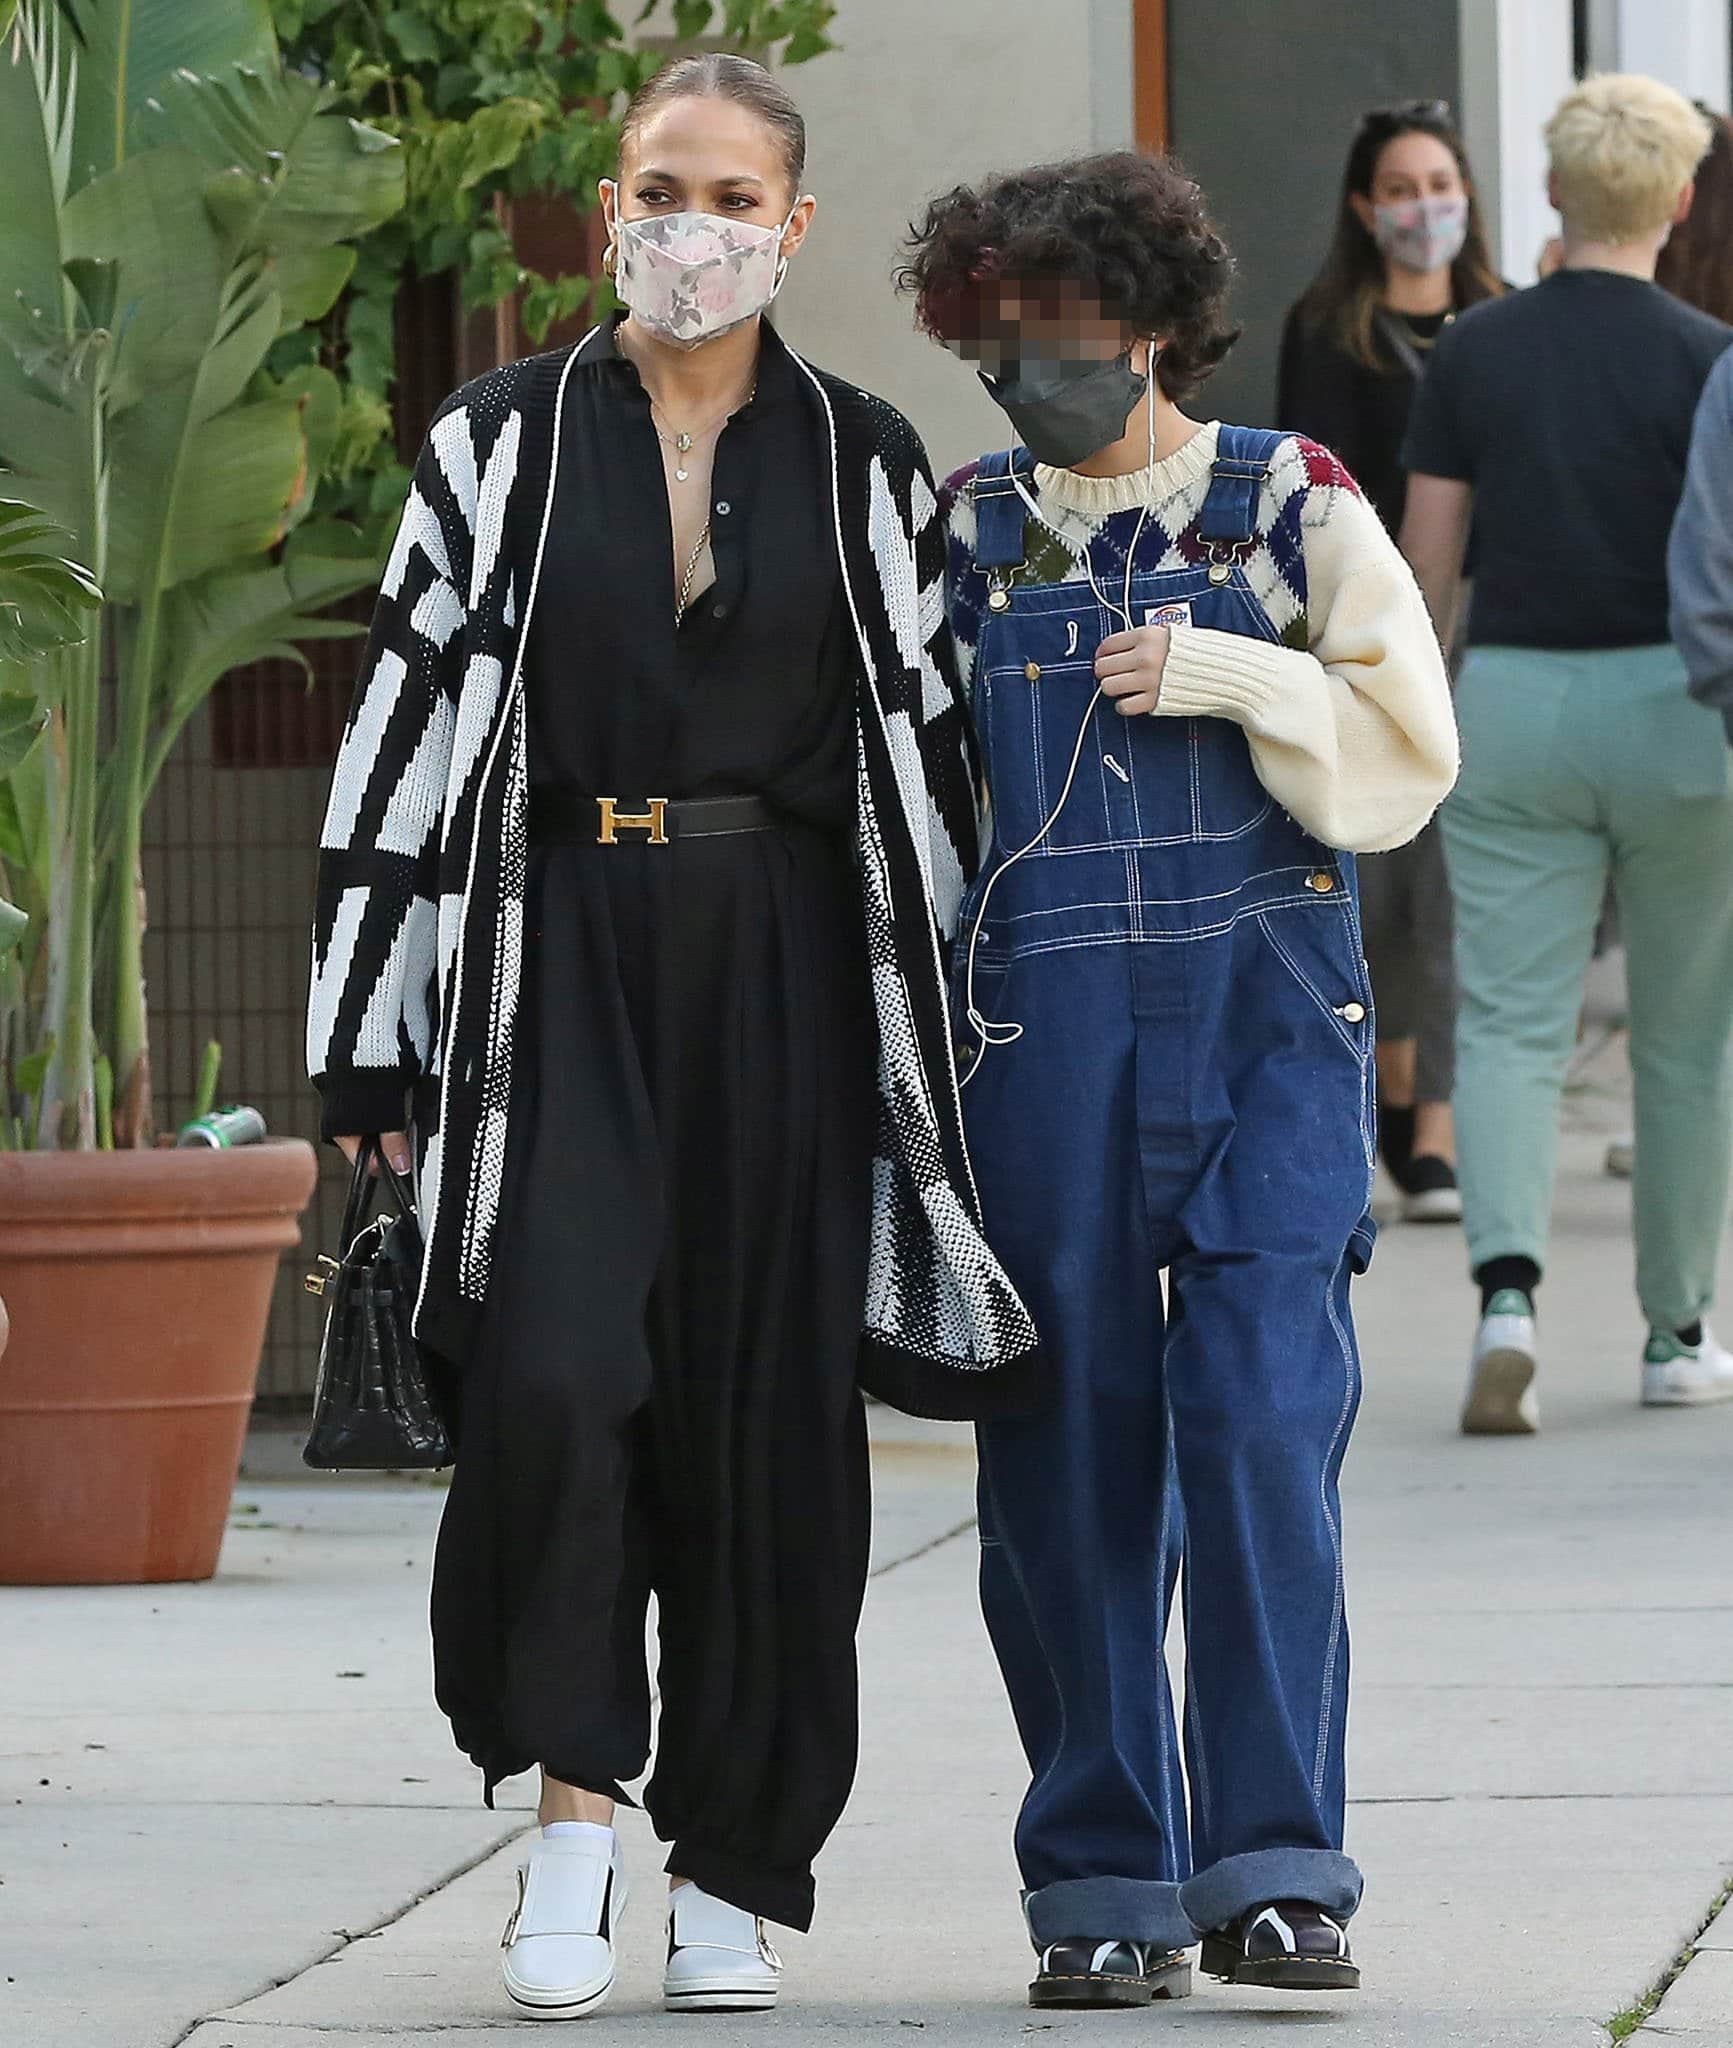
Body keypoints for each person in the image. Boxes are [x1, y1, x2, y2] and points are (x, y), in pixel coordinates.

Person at [306, 53, 1040, 2023]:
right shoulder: (496, 444)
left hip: (788, 967)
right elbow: (397, 749)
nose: (685, 228)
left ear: (790, 229)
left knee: (763, 1425)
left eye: (728, 196)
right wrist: (365, 1047)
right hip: (556, 960)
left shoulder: (864, 458)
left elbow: (934, 749)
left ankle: (729, 1861)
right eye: (657, 186)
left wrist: (983, 1028)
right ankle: (568, 1815)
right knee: (554, 1384)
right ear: (611, 202)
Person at [901, 152, 1456, 2008]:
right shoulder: (962, 527)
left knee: (1257, 1435)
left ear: (1147, 322)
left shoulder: (1288, 500)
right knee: (1057, 1456)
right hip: (1033, 1040)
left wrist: (1238, 675)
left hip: (1260, 1027)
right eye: (989, 337)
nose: (1017, 367)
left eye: (1048, 333)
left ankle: (1279, 1866)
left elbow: (1406, 742)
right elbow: (907, 808)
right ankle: (1101, 1878)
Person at [1401, 74, 1733, 1436]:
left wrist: (1404, 723)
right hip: (1679, 708)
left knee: (1511, 1022)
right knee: (1684, 1038)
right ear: (1678, 198)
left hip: (1516, 703)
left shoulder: (1474, 349)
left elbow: (1425, 569)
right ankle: (1674, 1330)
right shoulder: (1710, 355)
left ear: (1548, 193)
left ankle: (1507, 1300)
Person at [1280, 100, 1503, 1224]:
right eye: (1402, 189)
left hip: (1485, 623)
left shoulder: (1499, 322)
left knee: (1453, 891)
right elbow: (1312, 495)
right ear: (1366, 210)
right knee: (1368, 870)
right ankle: (1372, 1094)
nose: (1425, 207)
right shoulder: (1325, 327)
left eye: (1439, 183)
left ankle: (1436, 1120)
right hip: (1361, 632)